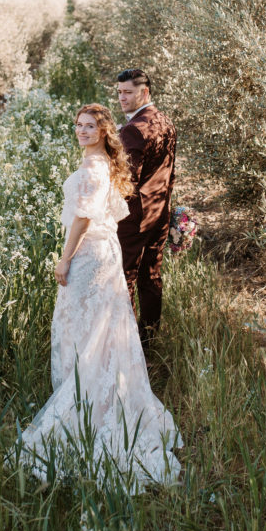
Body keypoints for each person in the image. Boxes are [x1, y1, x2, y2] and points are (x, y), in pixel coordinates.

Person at [19, 103, 181, 489]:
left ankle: (90, 410)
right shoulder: (103, 162)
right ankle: (106, 400)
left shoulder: (94, 166)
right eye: (78, 125)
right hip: (105, 253)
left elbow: (84, 216)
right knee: (103, 333)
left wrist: (64, 258)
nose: (82, 130)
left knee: (88, 333)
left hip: (91, 256)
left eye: (90, 126)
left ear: (104, 130)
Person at [116, 69, 176, 353]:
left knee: (125, 278)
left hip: (134, 218)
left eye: (128, 92)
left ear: (145, 92)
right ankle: (148, 342)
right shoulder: (165, 121)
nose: (122, 98)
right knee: (151, 277)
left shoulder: (132, 129)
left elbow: (126, 182)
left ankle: (126, 348)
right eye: (119, 92)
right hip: (160, 214)